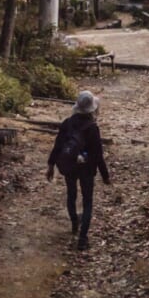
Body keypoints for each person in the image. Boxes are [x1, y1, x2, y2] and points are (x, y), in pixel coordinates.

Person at [47, 89, 111, 250]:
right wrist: (105, 176)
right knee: (87, 201)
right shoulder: (92, 127)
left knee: (71, 194)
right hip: (87, 169)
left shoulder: (67, 123)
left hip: (69, 166)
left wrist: (50, 166)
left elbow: (58, 146)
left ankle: (74, 223)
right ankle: (83, 239)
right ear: (92, 108)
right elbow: (98, 155)